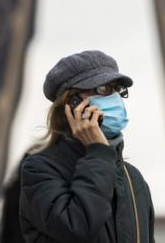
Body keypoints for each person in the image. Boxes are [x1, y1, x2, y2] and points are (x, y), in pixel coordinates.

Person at [18, 50, 155, 243]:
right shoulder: (39, 170)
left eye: (118, 90)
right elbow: (77, 228)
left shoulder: (134, 180)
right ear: (71, 104)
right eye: (103, 90)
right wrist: (98, 152)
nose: (115, 98)